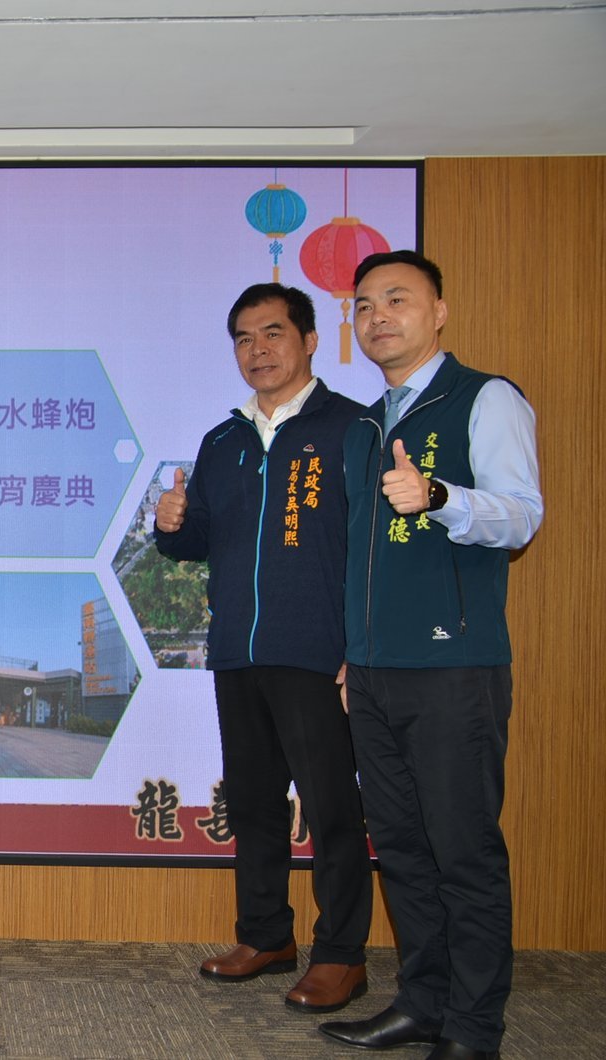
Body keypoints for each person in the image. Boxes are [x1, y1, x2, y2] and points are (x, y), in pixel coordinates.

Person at [319, 251, 542, 1059]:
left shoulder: (486, 397)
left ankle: (474, 1029)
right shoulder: (364, 427)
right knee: (404, 850)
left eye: (397, 299)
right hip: (375, 673)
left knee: (463, 851)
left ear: (438, 311)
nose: (378, 316)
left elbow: (521, 516)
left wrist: (438, 496)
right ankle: (423, 1003)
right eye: (364, 305)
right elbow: (362, 558)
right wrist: (354, 653)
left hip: (454, 669)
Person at [155, 283, 373, 1013]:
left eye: (273, 333)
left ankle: (340, 955)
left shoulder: (353, 429)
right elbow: (198, 542)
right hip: (237, 651)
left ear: (309, 340)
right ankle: (266, 936)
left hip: (317, 652)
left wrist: (358, 647)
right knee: (252, 804)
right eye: (244, 339)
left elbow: (373, 548)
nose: (258, 350)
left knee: (332, 809)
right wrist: (171, 523)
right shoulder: (222, 441)